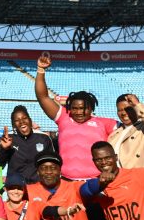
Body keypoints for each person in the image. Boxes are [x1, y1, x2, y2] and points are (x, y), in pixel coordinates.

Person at [34, 54, 117, 182]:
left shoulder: (106, 123)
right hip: (66, 181)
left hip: (97, 181)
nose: (79, 112)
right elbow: (43, 97)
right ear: (69, 108)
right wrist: (41, 70)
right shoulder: (63, 117)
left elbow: (133, 131)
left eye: (84, 108)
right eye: (75, 108)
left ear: (91, 108)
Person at [0, 105, 56, 184]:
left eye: (24, 118)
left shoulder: (43, 138)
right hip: (16, 188)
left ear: (30, 121)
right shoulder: (8, 139)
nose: (22, 122)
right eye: (17, 120)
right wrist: (4, 149)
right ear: (13, 125)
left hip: (39, 186)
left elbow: (53, 164)